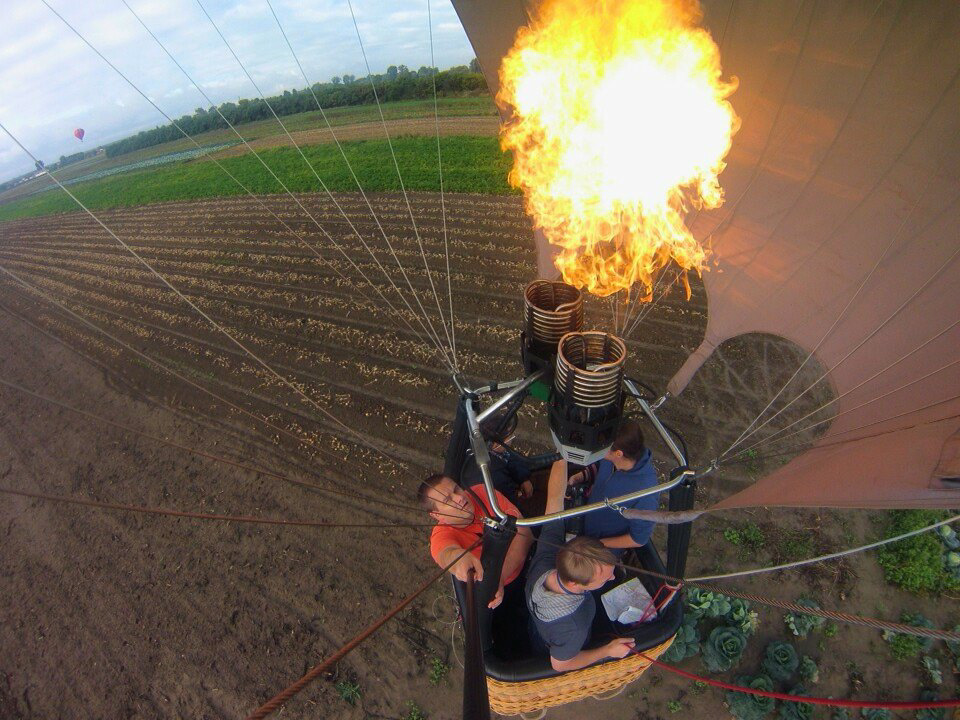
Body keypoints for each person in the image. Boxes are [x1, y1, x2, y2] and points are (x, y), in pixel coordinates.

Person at [526, 459, 636, 672]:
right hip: (559, 646)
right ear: (575, 584)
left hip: (538, 626)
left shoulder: (545, 560)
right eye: (604, 578)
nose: (613, 577)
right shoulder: (573, 626)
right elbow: (560, 664)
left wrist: (562, 455)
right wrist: (607, 651)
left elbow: (555, 500)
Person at [418, 474, 533, 608]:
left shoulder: (482, 492)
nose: (459, 498)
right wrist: (458, 560)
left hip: (527, 562)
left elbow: (525, 533)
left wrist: (500, 576)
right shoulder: (441, 535)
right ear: (437, 515)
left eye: (456, 489)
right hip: (500, 593)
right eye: (448, 500)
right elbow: (446, 554)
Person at [570, 420, 660, 553]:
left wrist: (598, 544)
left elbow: (638, 539)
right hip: (586, 524)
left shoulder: (646, 493)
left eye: (601, 447)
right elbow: (600, 466)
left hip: (600, 551)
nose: (596, 449)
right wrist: (582, 476)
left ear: (618, 453)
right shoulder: (614, 458)